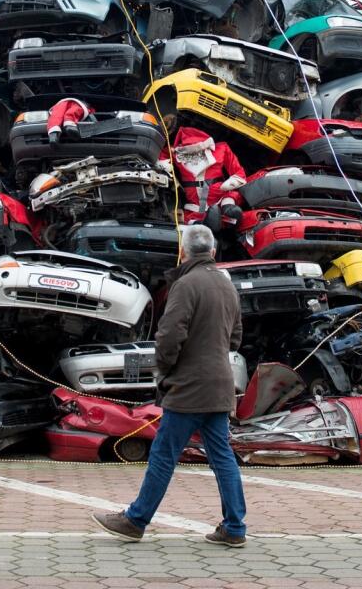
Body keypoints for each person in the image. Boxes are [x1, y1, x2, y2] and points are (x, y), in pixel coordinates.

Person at [91, 224, 247, 547]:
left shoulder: (186, 285)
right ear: (214, 252)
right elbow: (235, 338)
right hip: (220, 386)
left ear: (184, 251)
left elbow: (168, 337)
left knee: (163, 455)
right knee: (222, 457)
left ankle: (135, 520)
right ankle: (234, 527)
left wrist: (165, 369)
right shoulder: (226, 285)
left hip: (188, 388)